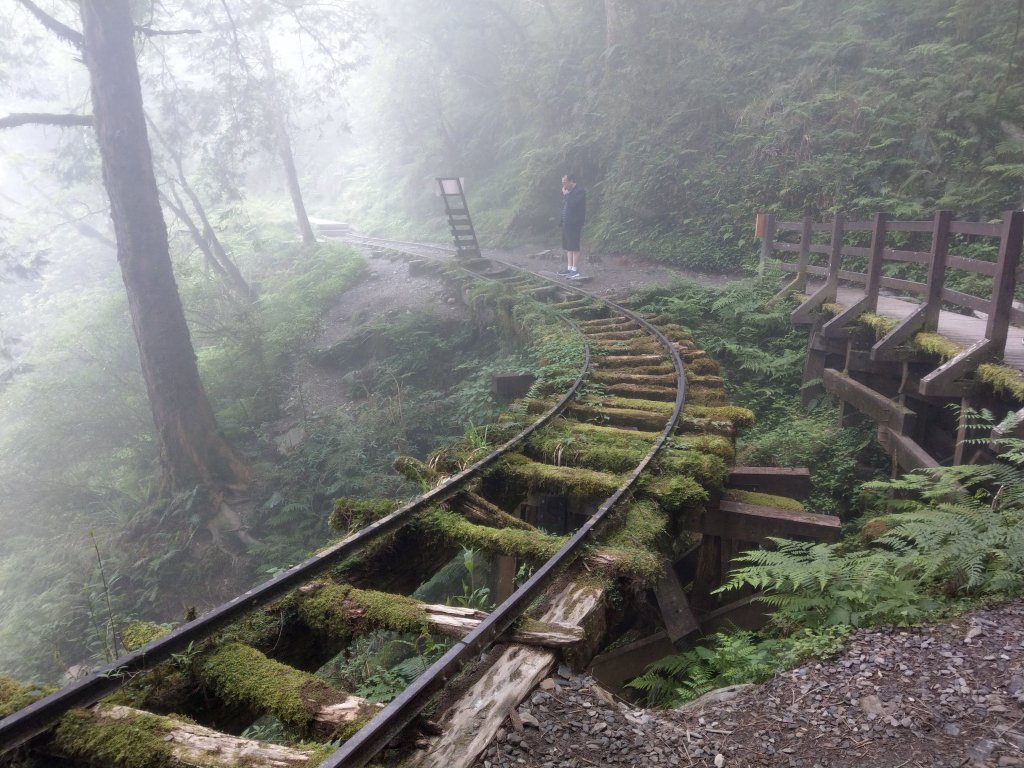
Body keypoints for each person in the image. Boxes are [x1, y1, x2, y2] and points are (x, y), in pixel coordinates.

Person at [558, 174, 586, 279]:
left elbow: (573, 204)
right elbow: (565, 206)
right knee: (568, 246)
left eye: (565, 182)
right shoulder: (569, 192)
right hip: (566, 223)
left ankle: (575, 270)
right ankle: (569, 268)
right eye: (562, 182)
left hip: (575, 223)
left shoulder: (579, 191)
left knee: (574, 246)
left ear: (571, 181)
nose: (563, 185)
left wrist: (566, 195)